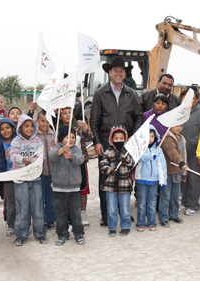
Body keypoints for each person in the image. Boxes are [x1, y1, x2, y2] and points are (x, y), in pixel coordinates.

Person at [91, 56, 143, 226]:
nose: (119, 73)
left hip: (126, 144)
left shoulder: (132, 93)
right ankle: (106, 214)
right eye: (115, 70)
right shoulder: (100, 94)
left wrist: (132, 138)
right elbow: (94, 120)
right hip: (106, 142)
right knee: (106, 178)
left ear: (124, 73)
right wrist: (97, 141)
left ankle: (124, 212)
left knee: (125, 176)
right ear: (109, 72)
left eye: (122, 71)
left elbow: (138, 117)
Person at [9, 115, 47, 246]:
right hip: (20, 180)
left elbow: (42, 157)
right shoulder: (15, 142)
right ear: (20, 128)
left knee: (37, 207)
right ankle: (21, 234)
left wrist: (35, 162)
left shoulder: (37, 141)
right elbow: (12, 156)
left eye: (31, 126)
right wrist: (22, 160)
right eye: (26, 126)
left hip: (35, 179)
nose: (29, 128)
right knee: (22, 208)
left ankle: (40, 233)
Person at [57, 107, 94, 226]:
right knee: (67, 190)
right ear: (60, 115)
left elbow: (89, 138)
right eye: (64, 113)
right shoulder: (58, 128)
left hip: (80, 161)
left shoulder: (79, 126)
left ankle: (82, 212)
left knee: (83, 189)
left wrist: (85, 131)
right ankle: (68, 215)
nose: (68, 115)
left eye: (70, 112)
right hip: (64, 163)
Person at [49, 127, 85, 246]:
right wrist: (61, 151)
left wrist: (71, 156)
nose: (71, 140)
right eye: (67, 137)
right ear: (61, 138)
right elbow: (52, 157)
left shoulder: (76, 149)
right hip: (59, 188)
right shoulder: (57, 147)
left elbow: (80, 160)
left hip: (74, 187)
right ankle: (62, 234)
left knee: (75, 212)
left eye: (73, 137)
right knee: (61, 213)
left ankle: (79, 234)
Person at [180, 87, 200, 216]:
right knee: (183, 178)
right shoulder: (181, 111)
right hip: (183, 151)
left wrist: (191, 142)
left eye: (192, 98)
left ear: (197, 99)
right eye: (187, 98)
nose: (189, 101)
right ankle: (185, 202)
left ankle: (194, 205)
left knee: (193, 178)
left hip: (195, 152)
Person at [99, 126, 135, 236]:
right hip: (110, 185)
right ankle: (112, 227)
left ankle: (125, 226)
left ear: (125, 139)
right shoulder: (108, 152)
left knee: (124, 208)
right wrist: (110, 170)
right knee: (111, 208)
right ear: (111, 139)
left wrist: (127, 159)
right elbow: (102, 165)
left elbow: (132, 163)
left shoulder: (128, 152)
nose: (119, 141)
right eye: (116, 139)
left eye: (121, 139)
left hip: (124, 185)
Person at [135, 126, 167, 232]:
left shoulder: (159, 150)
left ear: (155, 137)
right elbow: (141, 158)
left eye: (152, 136)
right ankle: (140, 222)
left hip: (154, 181)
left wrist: (163, 180)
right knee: (141, 203)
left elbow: (162, 166)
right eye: (147, 137)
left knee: (152, 203)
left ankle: (151, 222)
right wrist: (150, 157)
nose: (149, 139)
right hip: (141, 180)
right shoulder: (139, 149)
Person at [0, 117, 17, 236]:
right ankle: (10, 224)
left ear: (13, 128)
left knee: (22, 202)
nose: (5, 131)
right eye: (2, 129)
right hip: (8, 178)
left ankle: (22, 223)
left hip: (20, 176)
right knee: (10, 203)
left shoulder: (18, 141)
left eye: (7, 128)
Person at [159, 124, 188, 227]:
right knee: (165, 196)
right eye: (175, 126)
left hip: (178, 172)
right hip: (168, 172)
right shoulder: (168, 138)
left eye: (180, 126)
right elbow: (172, 152)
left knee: (175, 196)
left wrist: (185, 172)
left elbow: (184, 155)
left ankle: (174, 215)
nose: (178, 128)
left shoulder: (182, 138)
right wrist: (181, 163)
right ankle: (163, 217)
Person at [35, 110, 56, 230]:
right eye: (42, 121)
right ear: (37, 121)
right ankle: (41, 219)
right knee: (40, 197)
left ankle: (50, 219)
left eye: (48, 121)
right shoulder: (34, 136)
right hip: (40, 173)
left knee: (51, 197)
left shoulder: (54, 135)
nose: (45, 124)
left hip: (52, 172)